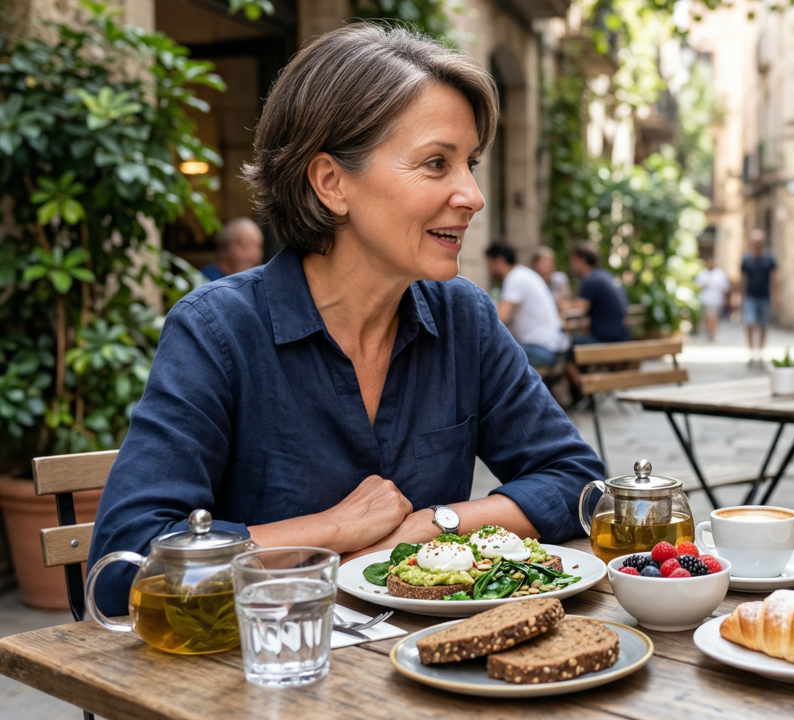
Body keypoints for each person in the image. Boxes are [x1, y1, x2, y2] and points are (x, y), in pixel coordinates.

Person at [87, 24, 604, 617]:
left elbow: (577, 482)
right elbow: (126, 562)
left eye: (471, 163)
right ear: (332, 183)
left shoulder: (464, 316)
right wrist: (334, 531)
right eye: (436, 163)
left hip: (424, 672)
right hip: (261, 678)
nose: (472, 195)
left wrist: (436, 525)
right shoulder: (218, 330)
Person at [484, 241, 569, 369]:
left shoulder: (515, 278)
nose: (489, 270)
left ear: (500, 261)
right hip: (551, 347)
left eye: (489, 264)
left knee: (487, 355)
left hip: (541, 350)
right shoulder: (523, 274)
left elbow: (500, 316)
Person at [564, 243, 629, 344]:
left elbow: (576, 309)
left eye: (573, 261)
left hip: (606, 340)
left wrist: (559, 304)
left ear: (581, 260)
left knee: (572, 345)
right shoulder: (605, 275)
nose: (571, 265)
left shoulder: (591, 280)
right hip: (621, 336)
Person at [740, 230, 777, 366]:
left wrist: (776, 297)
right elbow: (743, 280)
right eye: (755, 242)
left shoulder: (769, 259)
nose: (757, 244)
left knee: (763, 326)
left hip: (765, 297)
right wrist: (739, 297)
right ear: (751, 243)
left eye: (759, 242)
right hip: (750, 297)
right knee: (750, 324)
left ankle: (760, 353)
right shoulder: (746, 259)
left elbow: (774, 279)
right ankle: (751, 352)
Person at [200, 217, 263, 282]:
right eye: (245, 247)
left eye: (258, 247)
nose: (254, 255)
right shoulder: (207, 282)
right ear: (224, 248)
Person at [695, 256, 731, 341]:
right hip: (705, 299)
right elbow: (697, 286)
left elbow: (725, 288)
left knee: (714, 317)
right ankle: (708, 331)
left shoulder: (720, 274)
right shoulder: (703, 273)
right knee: (707, 317)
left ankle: (712, 332)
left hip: (716, 300)